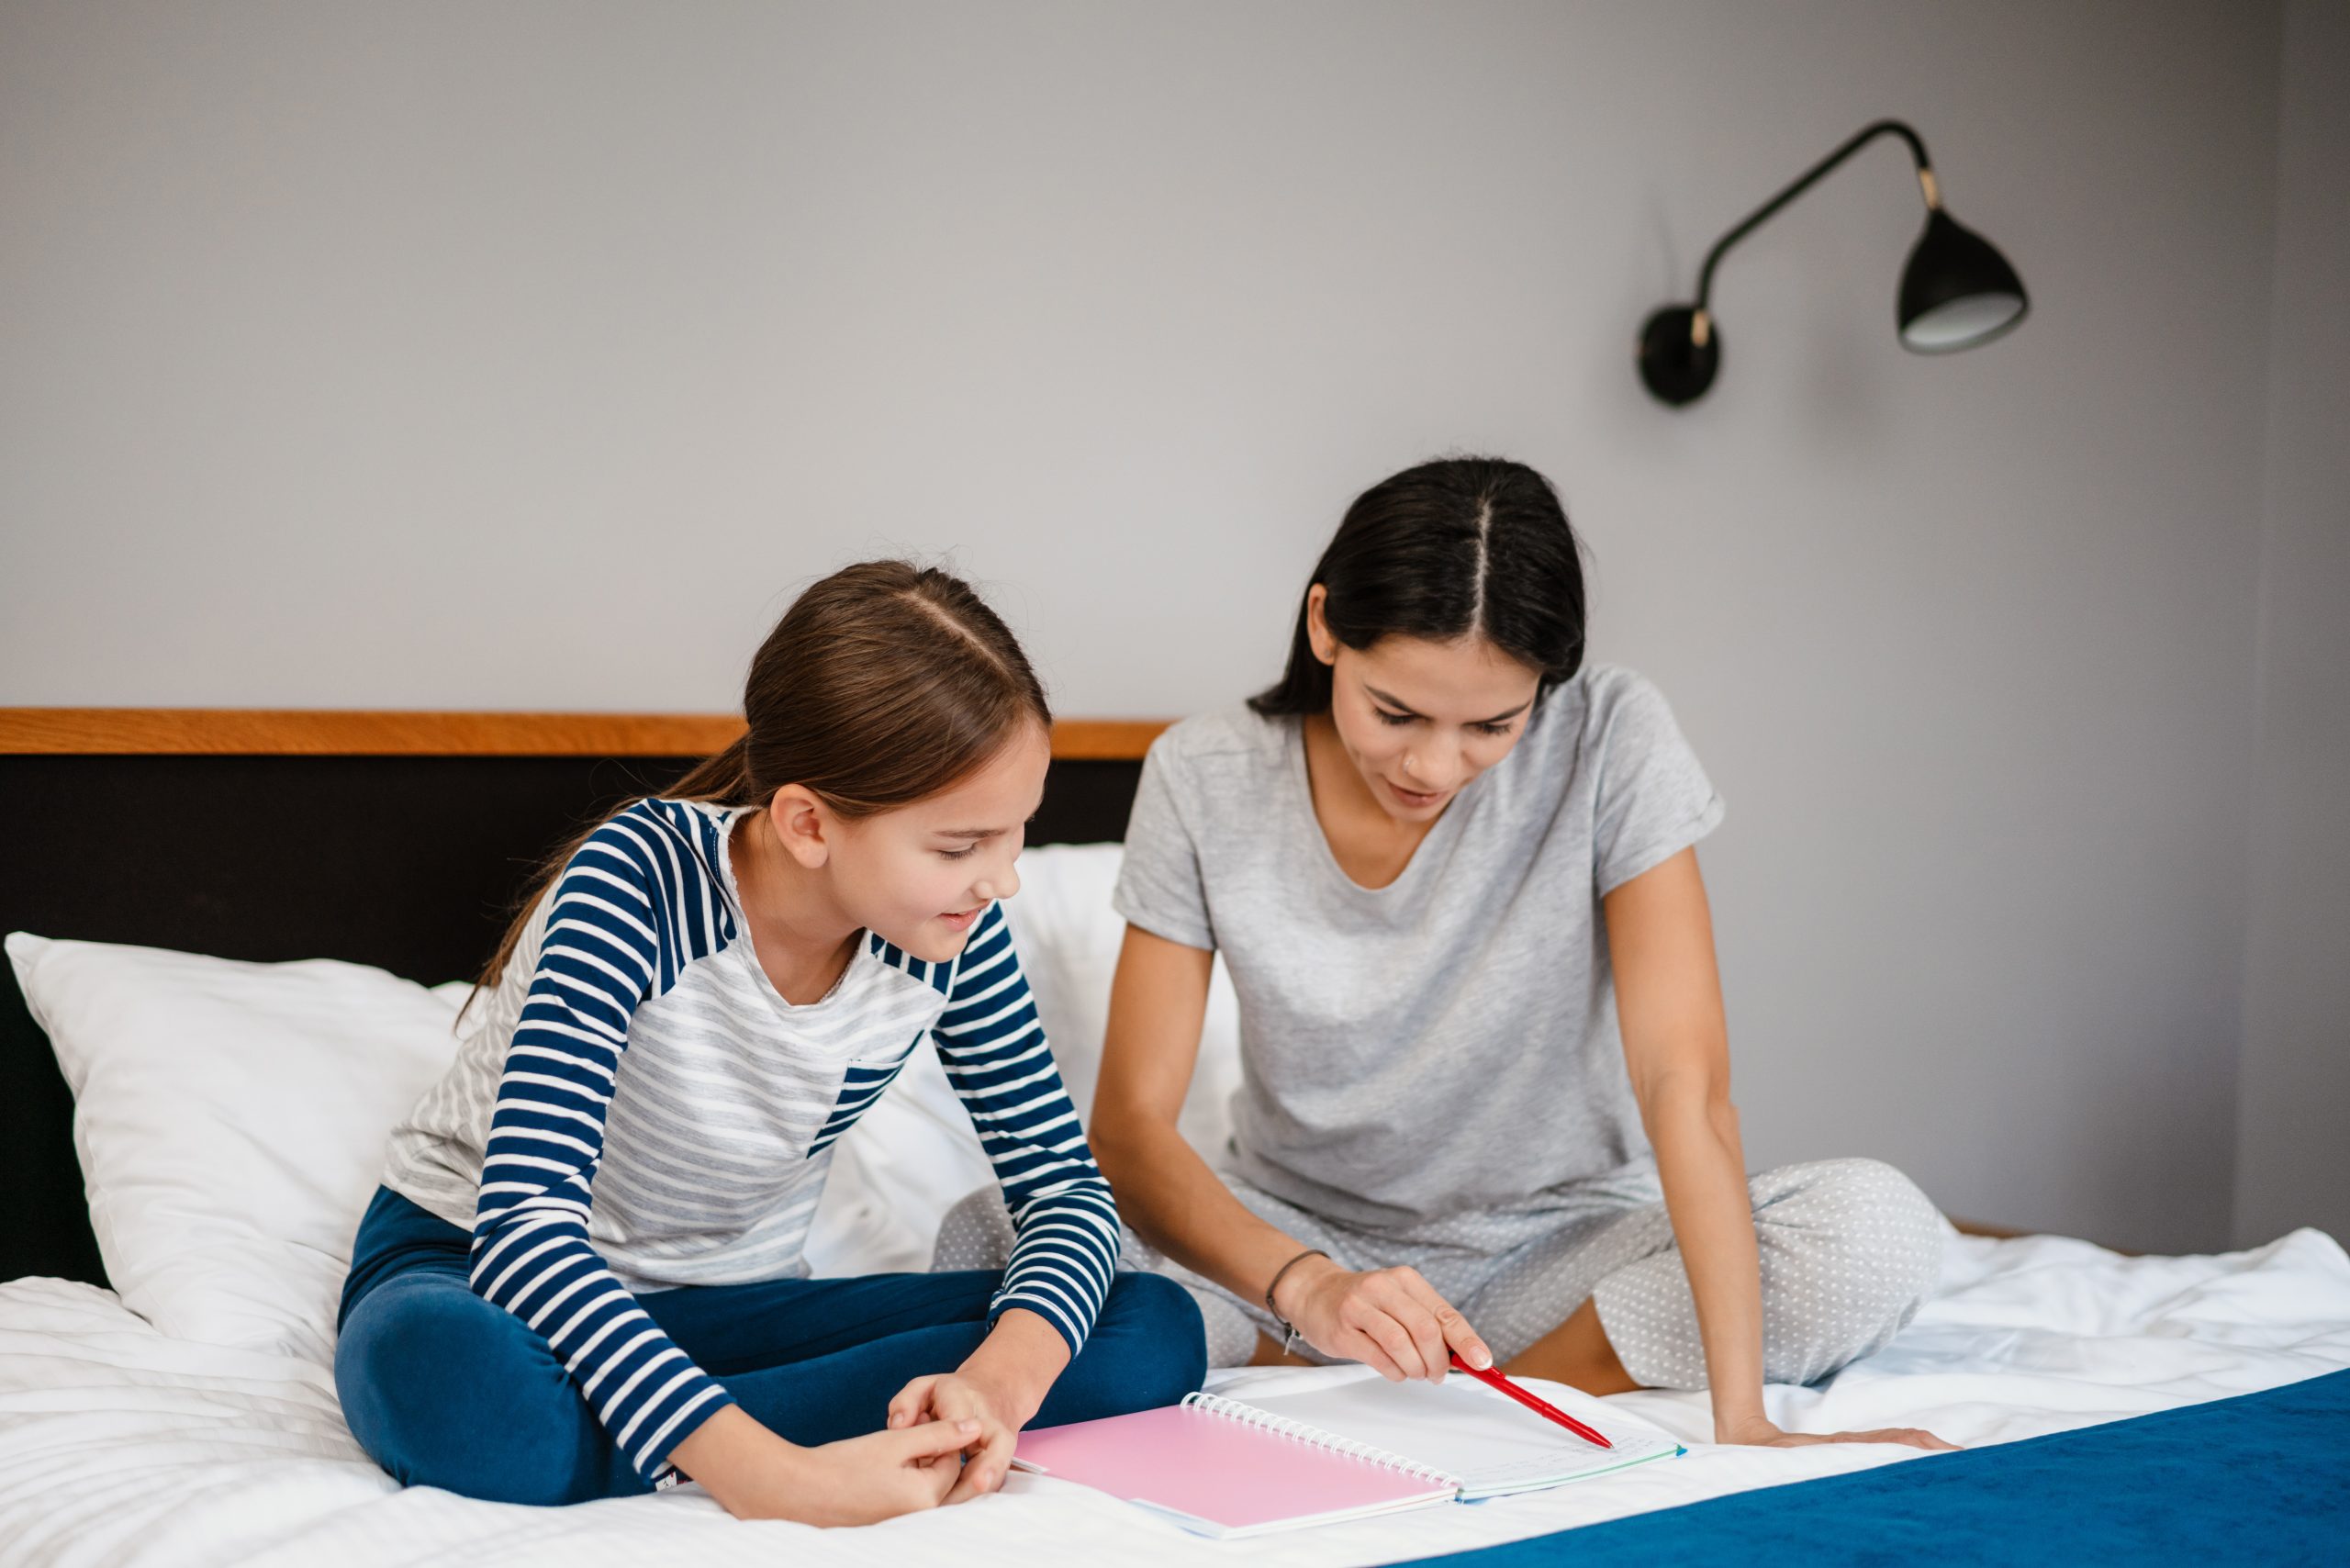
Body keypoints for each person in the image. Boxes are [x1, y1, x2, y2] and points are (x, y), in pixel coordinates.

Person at [937, 458, 1953, 1452]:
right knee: (994, 1235)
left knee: (1875, 1228)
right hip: (1292, 1243)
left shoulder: (1612, 736)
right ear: (1324, 623)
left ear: (1543, 688)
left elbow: (1682, 1083)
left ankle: (1441, 1391)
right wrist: (1310, 1285)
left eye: (1491, 725)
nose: (1432, 766)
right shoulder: (1204, 773)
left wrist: (1745, 1415)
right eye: (1396, 713)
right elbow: (1131, 1128)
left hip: (1559, 1248)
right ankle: (1335, 1362)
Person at [335, 561, 1206, 1523]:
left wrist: (995, 1386)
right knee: (450, 1378)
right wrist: (782, 1483)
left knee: (1152, 1326)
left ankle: (658, 1433)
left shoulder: (956, 929)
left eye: (1015, 835)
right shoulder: (634, 885)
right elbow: (527, 1237)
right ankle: (748, 1445)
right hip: (484, 1272)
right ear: (807, 823)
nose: (999, 880)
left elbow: (1063, 1189)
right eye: (960, 847)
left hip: (724, 1315)